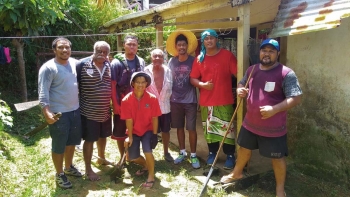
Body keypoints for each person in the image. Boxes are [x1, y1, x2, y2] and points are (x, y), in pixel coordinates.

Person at [220, 39, 302, 197]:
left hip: (274, 128)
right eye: (264, 50)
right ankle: (236, 173)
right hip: (250, 123)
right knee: (244, 149)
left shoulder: (286, 73)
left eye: (271, 51)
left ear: (278, 54)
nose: (267, 53)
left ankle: (279, 190)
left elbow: (296, 98)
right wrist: (240, 90)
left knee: (277, 158)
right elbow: (241, 84)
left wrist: (274, 109)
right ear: (260, 52)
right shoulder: (252, 69)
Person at [190, 29, 238, 170]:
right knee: (209, 130)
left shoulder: (227, 55)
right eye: (206, 39)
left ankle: (230, 155)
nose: (209, 41)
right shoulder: (200, 58)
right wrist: (202, 84)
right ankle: (212, 153)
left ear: (217, 39)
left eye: (211, 38)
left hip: (224, 99)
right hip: (207, 100)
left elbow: (238, 73)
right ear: (203, 42)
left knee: (227, 130)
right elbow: (193, 78)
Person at [38, 37, 82, 189]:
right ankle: (59, 173)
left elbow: (90, 61)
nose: (64, 50)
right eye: (61, 47)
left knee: (72, 142)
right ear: (54, 50)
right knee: (59, 145)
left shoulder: (75, 64)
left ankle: (69, 167)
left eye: (67, 47)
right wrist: (47, 112)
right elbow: (43, 92)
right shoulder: (49, 68)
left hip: (75, 110)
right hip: (59, 113)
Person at [76, 41, 112, 181]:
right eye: (99, 51)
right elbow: (75, 86)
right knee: (90, 139)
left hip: (105, 111)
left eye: (105, 52)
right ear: (93, 50)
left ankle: (101, 158)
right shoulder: (82, 65)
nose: (102, 54)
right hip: (89, 112)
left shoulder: (108, 65)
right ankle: (88, 169)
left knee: (103, 136)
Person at [165, 29, 200, 168]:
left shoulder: (194, 61)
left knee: (191, 128)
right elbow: (167, 79)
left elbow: (199, 77)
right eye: (179, 45)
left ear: (187, 46)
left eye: (183, 45)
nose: (181, 47)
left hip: (190, 100)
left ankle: (193, 155)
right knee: (179, 127)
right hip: (175, 100)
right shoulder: (172, 61)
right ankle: (182, 152)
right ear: (176, 47)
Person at [122, 71, 161, 189]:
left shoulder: (152, 98)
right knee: (131, 157)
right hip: (134, 130)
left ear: (147, 84)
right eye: (138, 82)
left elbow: (155, 118)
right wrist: (130, 136)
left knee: (147, 150)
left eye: (143, 82)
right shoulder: (126, 100)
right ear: (133, 83)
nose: (140, 85)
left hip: (148, 130)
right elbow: (128, 120)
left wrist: (154, 135)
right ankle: (145, 165)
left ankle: (151, 176)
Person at [110, 34, 145, 165]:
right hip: (121, 102)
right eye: (129, 44)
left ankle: (133, 154)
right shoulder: (116, 62)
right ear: (124, 45)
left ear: (137, 47)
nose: (131, 47)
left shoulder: (140, 61)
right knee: (120, 131)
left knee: (136, 130)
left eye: (134, 44)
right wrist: (115, 104)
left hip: (137, 103)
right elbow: (113, 84)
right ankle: (122, 157)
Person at [144, 49, 174, 162]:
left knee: (166, 131)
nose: (157, 58)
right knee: (150, 131)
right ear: (151, 58)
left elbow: (172, 89)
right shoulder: (146, 70)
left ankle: (166, 152)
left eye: (160, 56)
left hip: (165, 107)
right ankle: (149, 153)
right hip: (150, 109)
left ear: (163, 58)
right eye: (155, 56)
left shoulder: (168, 71)